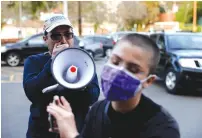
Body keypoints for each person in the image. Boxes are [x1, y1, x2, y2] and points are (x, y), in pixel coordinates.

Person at [47, 34, 180, 138]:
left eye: (133, 69)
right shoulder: (96, 110)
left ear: (148, 81)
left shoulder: (163, 128)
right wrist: (65, 128)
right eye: (115, 62)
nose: (119, 72)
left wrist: (71, 134)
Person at [23, 14, 100, 138]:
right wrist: (52, 63)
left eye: (68, 34)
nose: (63, 40)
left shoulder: (84, 61)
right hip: (41, 131)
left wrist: (81, 85)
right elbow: (32, 94)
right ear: (45, 39)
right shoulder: (33, 61)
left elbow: (93, 96)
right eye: (56, 36)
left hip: (77, 129)